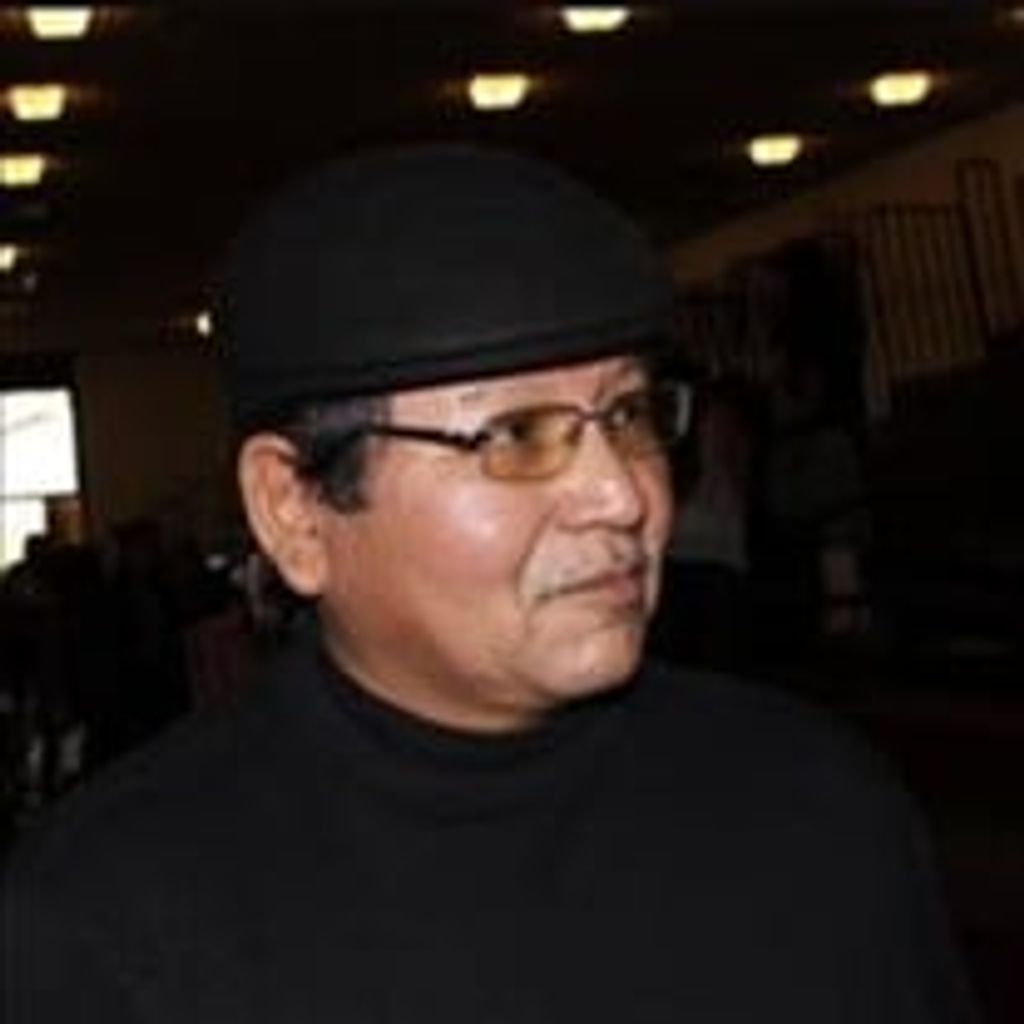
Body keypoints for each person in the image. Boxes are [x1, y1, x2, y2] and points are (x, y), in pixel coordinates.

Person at [2, 146, 974, 1022]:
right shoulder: (108, 922)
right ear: (295, 510)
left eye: (628, 415)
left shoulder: (816, 802)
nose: (621, 495)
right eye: (516, 436)